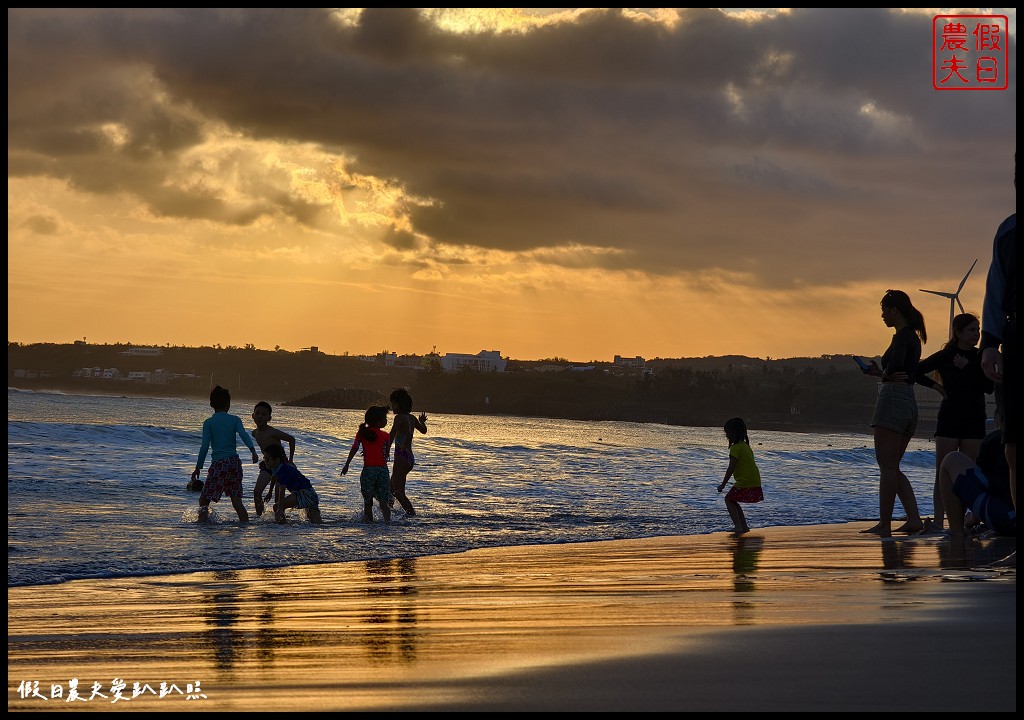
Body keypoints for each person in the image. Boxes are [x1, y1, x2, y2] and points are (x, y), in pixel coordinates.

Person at [915, 312, 994, 531]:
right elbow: (916, 371)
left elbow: (989, 387)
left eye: (978, 330)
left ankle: (970, 519)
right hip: (949, 418)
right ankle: (940, 521)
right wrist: (938, 388)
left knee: (972, 473)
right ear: (958, 332)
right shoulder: (945, 355)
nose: (976, 334)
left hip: (974, 419)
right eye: (971, 330)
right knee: (943, 471)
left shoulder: (980, 357)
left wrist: (967, 367)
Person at [859, 289, 927, 537]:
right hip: (908, 400)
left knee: (887, 467)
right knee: (893, 467)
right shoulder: (913, 338)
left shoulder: (902, 337)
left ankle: (884, 524)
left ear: (894, 311)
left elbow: (895, 367)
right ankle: (913, 519)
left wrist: (880, 373)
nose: (882, 316)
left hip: (893, 399)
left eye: (884, 311)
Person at [979, 159, 1016, 564]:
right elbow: (996, 288)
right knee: (1013, 447)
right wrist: (990, 343)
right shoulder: (1008, 230)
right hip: (1014, 338)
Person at [190, 385, 259, 522]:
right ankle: (245, 526)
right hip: (234, 463)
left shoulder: (209, 423)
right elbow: (244, 435)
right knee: (236, 501)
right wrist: (253, 450)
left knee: (204, 499)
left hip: (219, 463)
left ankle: (202, 527)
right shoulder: (235, 420)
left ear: (211, 404)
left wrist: (198, 467)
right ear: (228, 404)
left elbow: (204, 447)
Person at [938, 429, 1014, 538]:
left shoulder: (996, 439)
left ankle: (956, 530)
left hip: (1005, 518)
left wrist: (974, 517)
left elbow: (985, 482)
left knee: (951, 459)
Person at [341, 405, 392, 524]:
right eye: (384, 418)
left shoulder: (362, 433)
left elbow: (354, 448)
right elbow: (386, 454)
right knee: (384, 502)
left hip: (368, 470)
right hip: (383, 470)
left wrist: (347, 464)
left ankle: (368, 524)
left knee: (368, 501)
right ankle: (388, 524)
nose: (386, 420)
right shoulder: (386, 436)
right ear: (378, 421)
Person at [716, 417, 763, 535]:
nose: (726, 436)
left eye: (727, 433)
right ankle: (743, 526)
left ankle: (738, 526)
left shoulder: (735, 448)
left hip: (746, 480)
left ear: (733, 433)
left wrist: (723, 484)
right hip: (754, 480)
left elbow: (731, 468)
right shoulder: (746, 446)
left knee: (728, 499)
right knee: (733, 500)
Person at [250, 401, 297, 517]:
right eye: (257, 413)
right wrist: (254, 454)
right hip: (267, 465)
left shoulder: (272, 432)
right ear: (253, 416)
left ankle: (280, 523)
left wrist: (290, 460)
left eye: (264, 414)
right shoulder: (254, 433)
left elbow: (291, 439)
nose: (260, 416)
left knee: (278, 499)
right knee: (257, 492)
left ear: (269, 418)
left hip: (281, 465)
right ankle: (260, 518)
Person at [388, 388, 427, 516]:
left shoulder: (399, 418)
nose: (392, 407)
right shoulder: (412, 418)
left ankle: (411, 514)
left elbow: (392, 434)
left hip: (401, 458)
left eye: (393, 404)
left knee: (398, 492)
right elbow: (423, 430)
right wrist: (422, 422)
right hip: (409, 458)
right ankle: (389, 513)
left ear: (400, 405)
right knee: (391, 489)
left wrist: (385, 450)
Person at [263, 442, 322, 524]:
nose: (265, 462)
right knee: (316, 522)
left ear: (277, 460)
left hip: (305, 493)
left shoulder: (283, 470)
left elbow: (282, 490)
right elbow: (274, 477)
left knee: (277, 507)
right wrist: (270, 492)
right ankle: (282, 524)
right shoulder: (275, 466)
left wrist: (280, 510)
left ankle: (282, 527)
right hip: (308, 493)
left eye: (267, 459)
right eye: (264, 459)